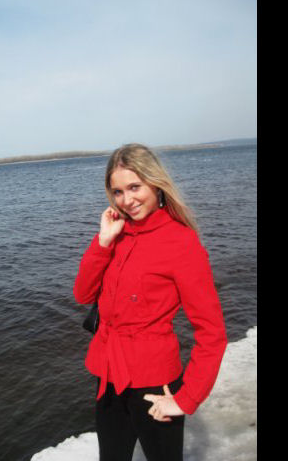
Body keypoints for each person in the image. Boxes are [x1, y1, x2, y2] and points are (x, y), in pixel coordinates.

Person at [73, 143, 227, 461]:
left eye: (135, 187)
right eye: (117, 192)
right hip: (109, 378)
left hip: (155, 385)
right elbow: (83, 294)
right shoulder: (116, 234)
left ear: (155, 184)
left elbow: (212, 332)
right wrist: (103, 242)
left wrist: (186, 398)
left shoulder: (181, 242)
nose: (126, 200)